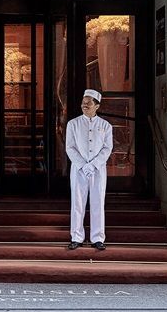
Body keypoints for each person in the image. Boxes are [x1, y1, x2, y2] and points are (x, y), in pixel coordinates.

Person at [65, 88, 113, 251]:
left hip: (98, 170)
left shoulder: (106, 126)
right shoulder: (73, 124)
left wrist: (93, 165)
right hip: (78, 169)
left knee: (98, 202)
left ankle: (98, 238)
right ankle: (76, 237)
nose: (84, 105)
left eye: (88, 103)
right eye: (83, 102)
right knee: (77, 202)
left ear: (97, 106)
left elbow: (107, 148)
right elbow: (70, 147)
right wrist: (83, 165)